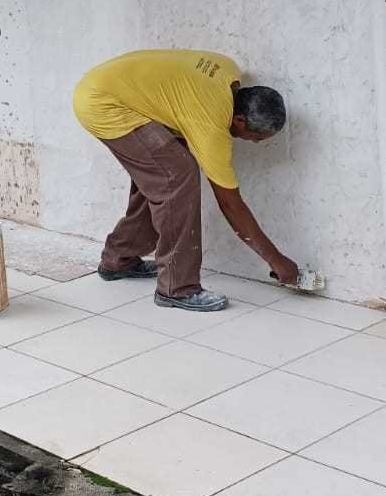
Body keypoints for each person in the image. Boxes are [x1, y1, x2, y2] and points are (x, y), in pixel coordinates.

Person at [72, 48, 299, 312]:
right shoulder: (211, 125)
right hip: (103, 103)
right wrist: (276, 260)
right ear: (239, 119)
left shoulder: (228, 70)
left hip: (110, 86)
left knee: (162, 174)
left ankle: (119, 258)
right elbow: (230, 204)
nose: (254, 143)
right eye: (255, 137)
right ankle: (177, 288)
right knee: (176, 175)